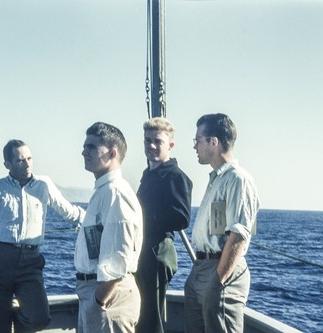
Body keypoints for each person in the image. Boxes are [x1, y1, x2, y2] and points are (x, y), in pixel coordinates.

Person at [0, 139, 85, 333]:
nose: (27, 164)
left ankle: (17, 324)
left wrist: (95, 220)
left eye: (30, 158)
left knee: (39, 317)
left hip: (31, 261)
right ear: (7, 165)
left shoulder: (44, 184)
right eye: (20, 160)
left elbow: (69, 212)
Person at [184, 113, 260, 333]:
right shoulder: (217, 179)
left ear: (213, 142)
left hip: (221, 271)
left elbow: (238, 235)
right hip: (201, 269)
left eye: (198, 140)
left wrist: (218, 282)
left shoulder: (238, 179)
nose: (195, 146)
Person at [74, 122, 143, 333]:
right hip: (96, 294)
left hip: (108, 298)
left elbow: (117, 259)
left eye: (92, 147)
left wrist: (98, 301)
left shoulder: (116, 193)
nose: (84, 151)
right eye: (85, 146)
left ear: (112, 153)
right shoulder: (105, 191)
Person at [135, 117, 192, 333]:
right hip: (143, 251)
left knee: (150, 317)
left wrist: (143, 218)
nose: (151, 146)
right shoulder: (149, 174)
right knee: (140, 314)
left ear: (170, 145)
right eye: (147, 141)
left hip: (157, 252)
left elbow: (182, 218)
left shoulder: (175, 177)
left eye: (157, 141)